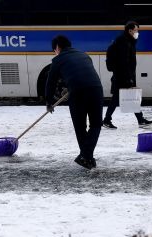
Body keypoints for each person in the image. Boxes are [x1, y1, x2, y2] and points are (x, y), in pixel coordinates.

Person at [45, 35, 103, 170]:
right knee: (96, 125)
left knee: (80, 126)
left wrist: (49, 101)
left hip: (78, 93)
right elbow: (81, 73)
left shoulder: (58, 60)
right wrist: (68, 86)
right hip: (96, 89)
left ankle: (85, 156)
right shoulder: (84, 55)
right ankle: (88, 158)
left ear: (57, 47)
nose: (55, 52)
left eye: (54, 50)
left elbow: (50, 83)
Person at [102, 21, 152, 130]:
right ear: (130, 31)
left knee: (121, 98)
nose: (137, 33)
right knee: (127, 97)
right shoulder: (124, 42)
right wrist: (129, 78)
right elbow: (124, 62)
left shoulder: (128, 41)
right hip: (122, 76)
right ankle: (138, 120)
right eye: (136, 30)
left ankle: (108, 120)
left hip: (122, 76)